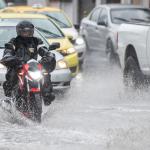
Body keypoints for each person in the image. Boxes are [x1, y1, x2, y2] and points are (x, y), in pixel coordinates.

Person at [2, 20, 56, 106]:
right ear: (19, 31)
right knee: (11, 73)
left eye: (28, 31)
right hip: (18, 65)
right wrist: (9, 56)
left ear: (32, 31)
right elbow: (8, 51)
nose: (26, 33)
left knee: (45, 72)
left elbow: (43, 49)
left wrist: (48, 55)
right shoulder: (14, 42)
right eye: (24, 31)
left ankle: (47, 95)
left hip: (32, 66)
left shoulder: (36, 41)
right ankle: (9, 98)